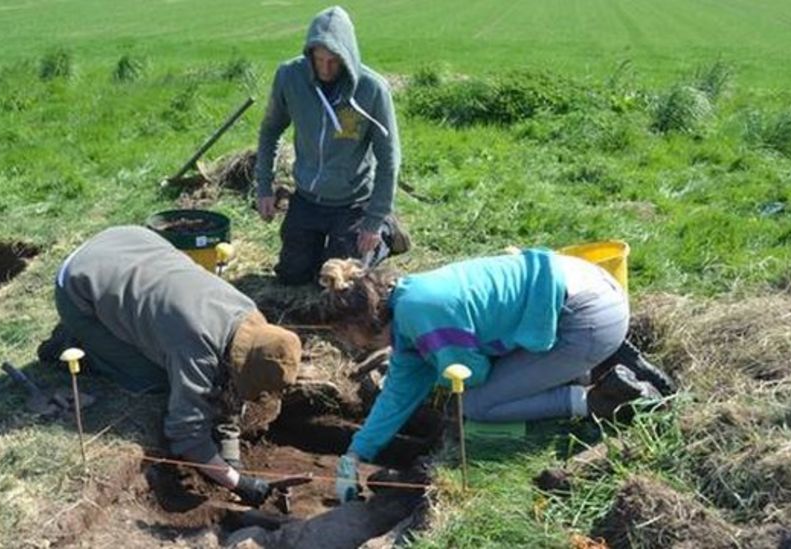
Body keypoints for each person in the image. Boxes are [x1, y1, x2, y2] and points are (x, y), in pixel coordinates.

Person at [318, 250, 673, 503]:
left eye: (349, 339)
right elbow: (399, 392)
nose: (352, 347)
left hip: (587, 318)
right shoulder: (409, 298)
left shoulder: (423, 316)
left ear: (362, 324)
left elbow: (473, 374)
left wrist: (442, 374)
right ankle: (602, 366)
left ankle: (595, 400)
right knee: (488, 381)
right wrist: (355, 454)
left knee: (477, 403)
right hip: (588, 285)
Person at [37, 226, 302, 507]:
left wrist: (231, 454)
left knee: (164, 354)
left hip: (126, 240)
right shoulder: (196, 351)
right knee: (152, 379)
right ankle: (74, 340)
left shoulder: (248, 313)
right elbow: (186, 435)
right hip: (77, 284)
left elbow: (231, 382)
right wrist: (239, 483)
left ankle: (108, 320)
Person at [255, 5, 409, 286]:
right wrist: (264, 186)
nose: (325, 69)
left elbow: (389, 159)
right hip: (307, 198)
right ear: (309, 54)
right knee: (293, 275)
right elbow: (270, 131)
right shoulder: (290, 77)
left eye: (333, 61)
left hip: (352, 202)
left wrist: (373, 219)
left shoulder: (372, 90)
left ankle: (387, 233)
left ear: (346, 56)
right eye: (319, 59)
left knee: (340, 281)